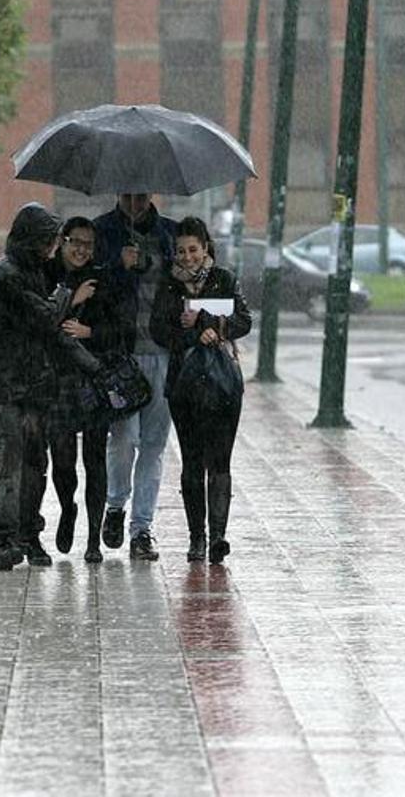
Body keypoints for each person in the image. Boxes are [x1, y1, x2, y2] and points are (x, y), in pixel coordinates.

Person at [0, 203, 103, 571]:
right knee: (8, 462)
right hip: (6, 385)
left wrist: (93, 367)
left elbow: (51, 332)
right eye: (49, 241)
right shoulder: (7, 276)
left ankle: (28, 534)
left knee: (34, 463)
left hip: (32, 384)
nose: (53, 248)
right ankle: (4, 540)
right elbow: (44, 319)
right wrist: (68, 297)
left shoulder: (33, 271)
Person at [150, 217, 251, 564]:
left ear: (205, 247)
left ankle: (219, 537)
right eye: (181, 251)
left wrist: (211, 324)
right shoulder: (169, 286)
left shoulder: (224, 279)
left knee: (220, 461)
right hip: (184, 384)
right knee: (192, 460)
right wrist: (194, 334)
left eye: (193, 249)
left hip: (223, 384)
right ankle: (197, 538)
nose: (188, 257)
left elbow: (244, 321)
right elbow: (159, 331)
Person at [44, 216, 135, 563]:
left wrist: (90, 332)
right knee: (63, 462)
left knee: (95, 459)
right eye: (75, 242)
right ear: (62, 241)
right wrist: (71, 298)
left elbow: (120, 330)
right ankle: (67, 508)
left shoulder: (102, 280)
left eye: (88, 244)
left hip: (93, 382)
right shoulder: (46, 275)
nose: (81, 249)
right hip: (58, 382)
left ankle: (94, 538)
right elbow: (41, 324)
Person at [94, 192, 177, 560]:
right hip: (122, 357)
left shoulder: (171, 235)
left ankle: (142, 529)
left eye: (142, 192)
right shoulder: (102, 233)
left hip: (164, 353)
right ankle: (115, 505)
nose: (135, 199)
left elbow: (192, 286)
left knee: (154, 445)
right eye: (128, 192)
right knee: (124, 437)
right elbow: (91, 292)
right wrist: (117, 266)